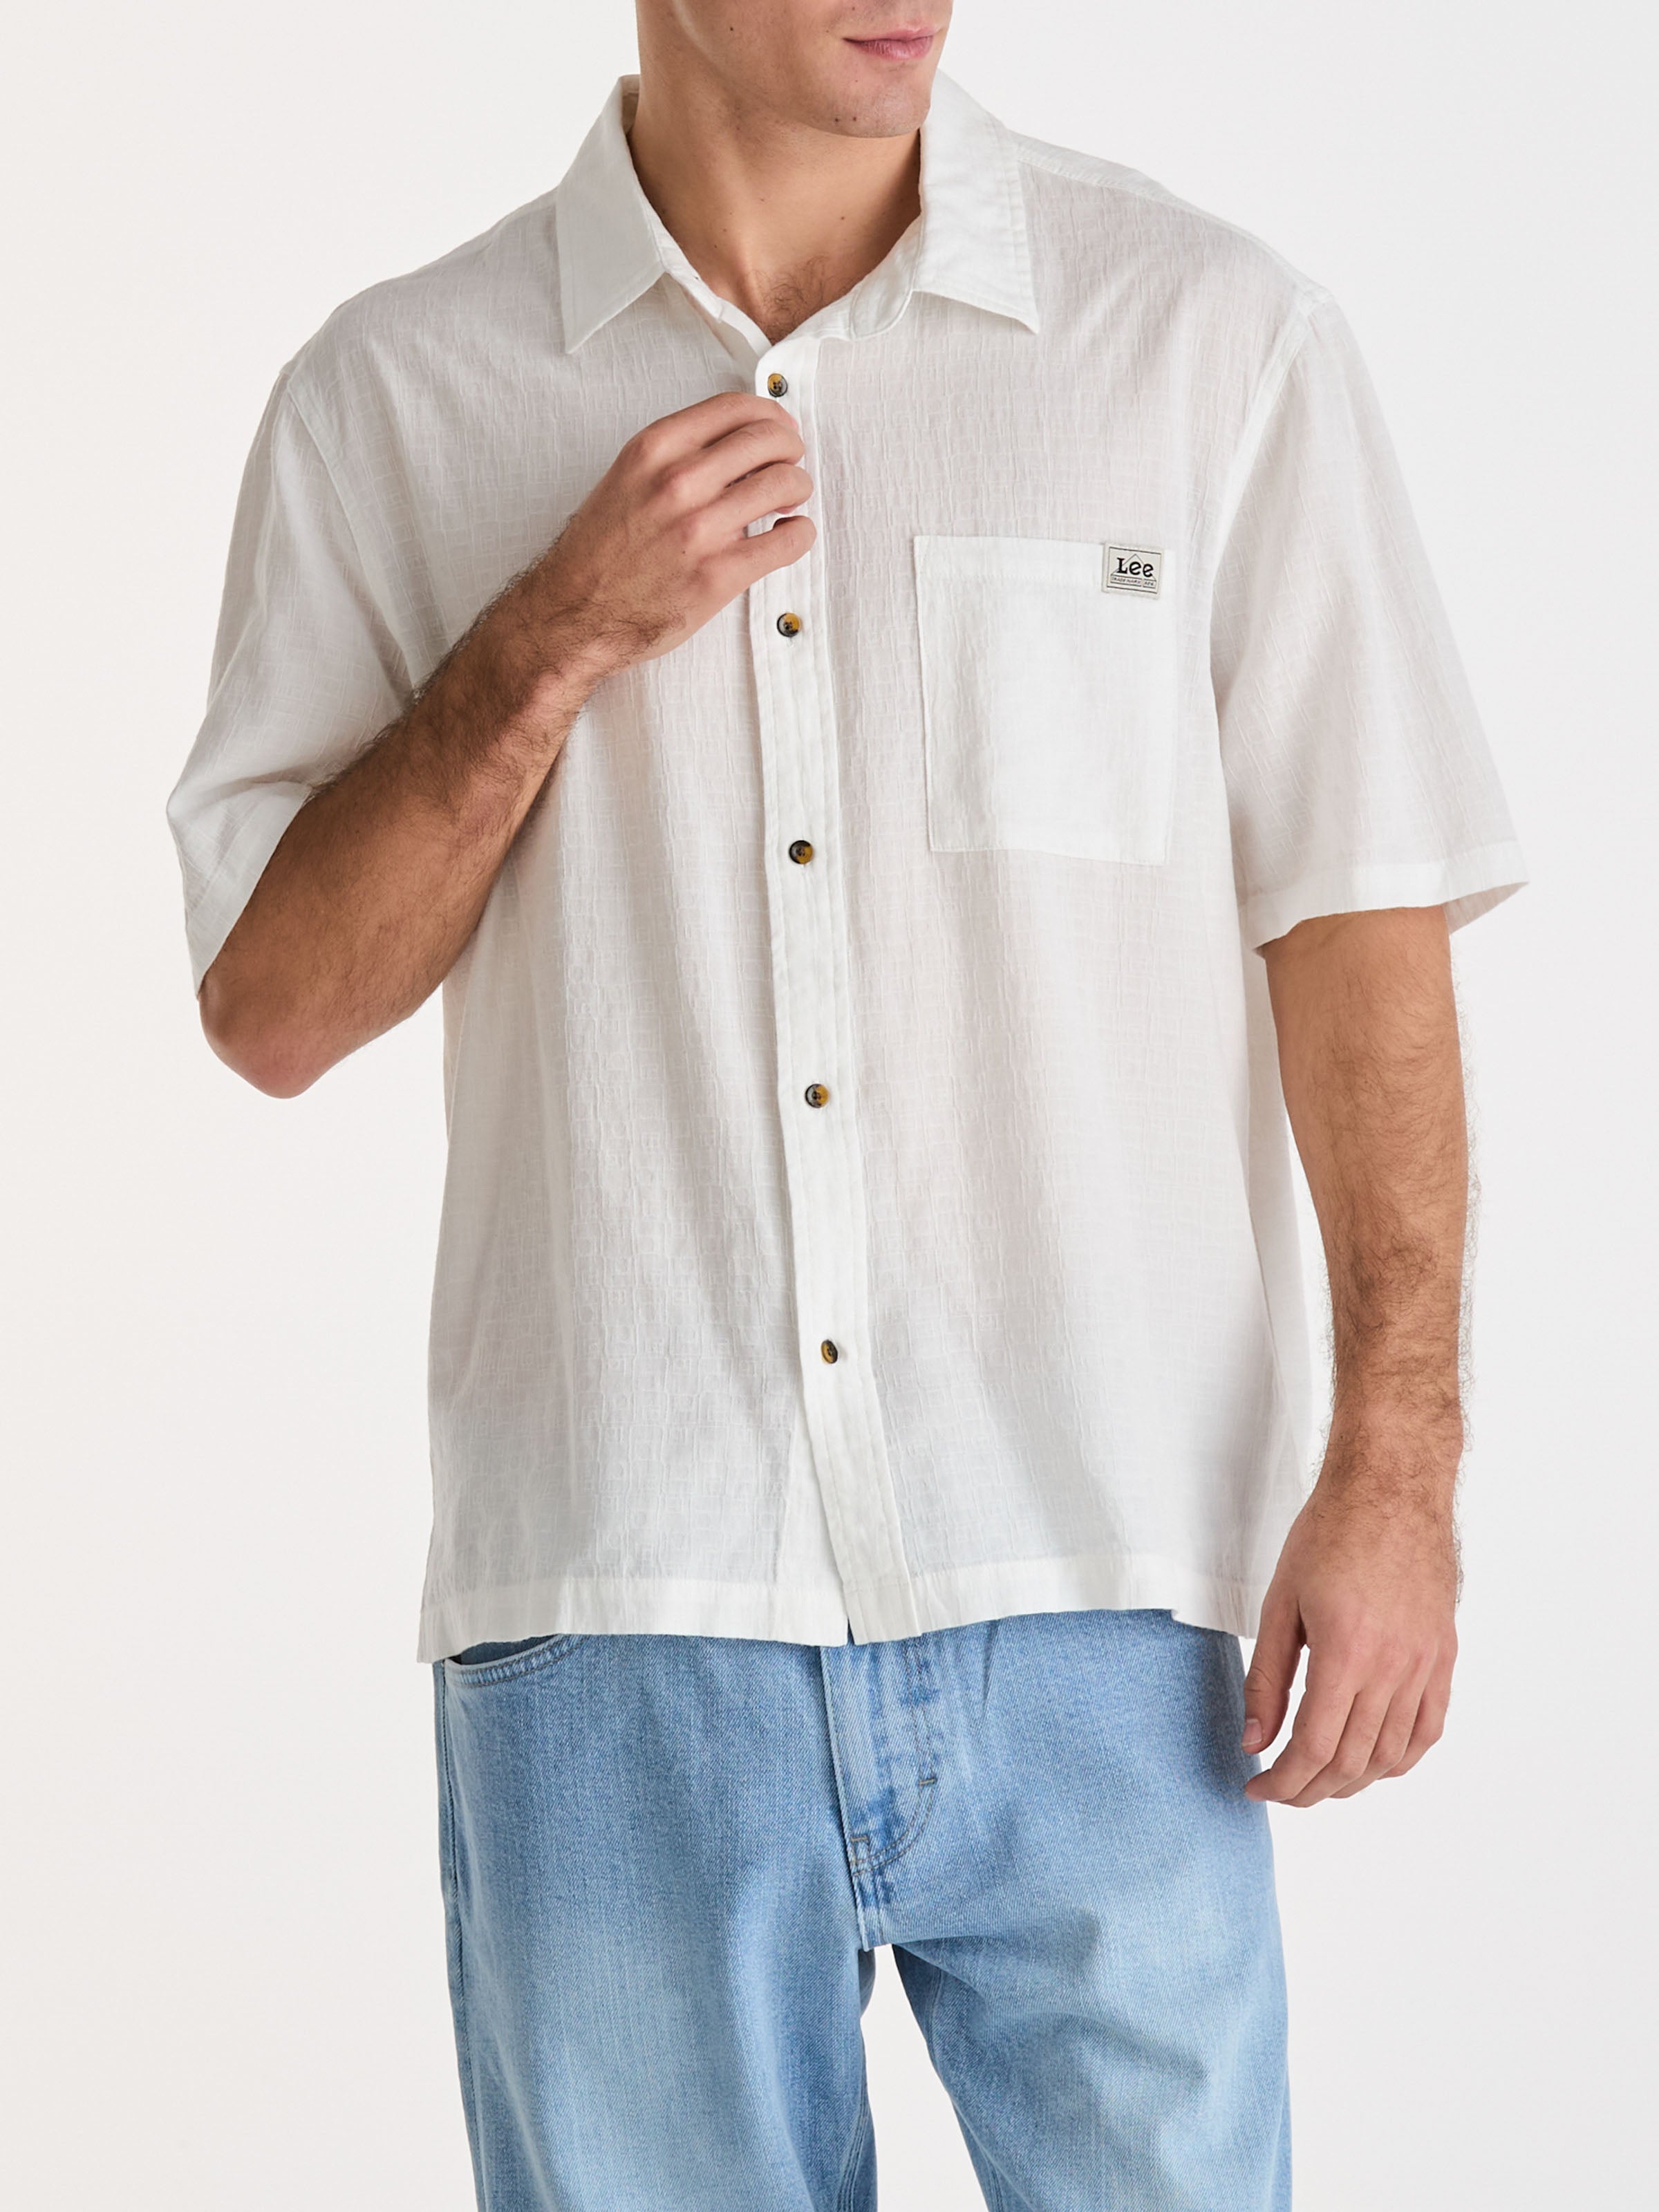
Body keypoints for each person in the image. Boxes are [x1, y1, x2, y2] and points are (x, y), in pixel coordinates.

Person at [165, 5, 1526, 2206]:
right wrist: (548, 641)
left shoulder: (1204, 341)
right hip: (622, 1608)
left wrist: (1399, 1467)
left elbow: (1357, 923)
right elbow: (275, 1004)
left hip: (1109, 1592)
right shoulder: (396, 396)